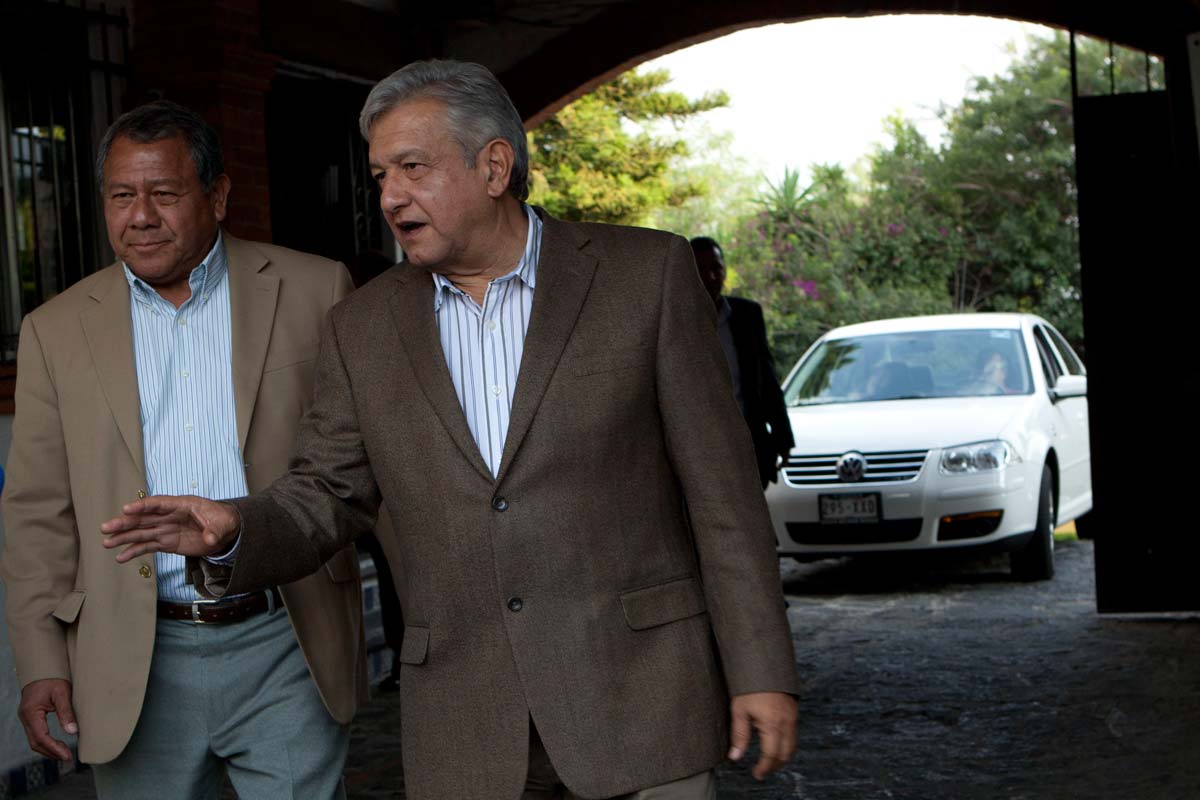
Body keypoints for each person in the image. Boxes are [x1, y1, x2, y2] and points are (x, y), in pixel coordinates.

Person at [101, 61, 799, 800]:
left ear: (494, 166)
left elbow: (722, 496)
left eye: (413, 168)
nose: (390, 196)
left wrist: (761, 670)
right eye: (380, 175)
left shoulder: (645, 276)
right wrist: (233, 530)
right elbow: (326, 494)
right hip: (467, 725)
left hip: (642, 704)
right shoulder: (361, 327)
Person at [0, 101, 367, 799]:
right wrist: (41, 659)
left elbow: (362, 465)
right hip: (132, 655)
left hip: (283, 634)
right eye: (121, 196)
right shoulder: (54, 329)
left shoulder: (315, 290)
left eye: (164, 194)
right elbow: (37, 512)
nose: (140, 216)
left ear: (218, 196)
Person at [690, 237, 795, 488]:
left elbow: (766, 380)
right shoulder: (675, 323)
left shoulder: (747, 316)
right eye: (701, 269)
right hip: (697, 452)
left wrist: (782, 438)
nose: (711, 277)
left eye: (716, 268)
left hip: (748, 448)